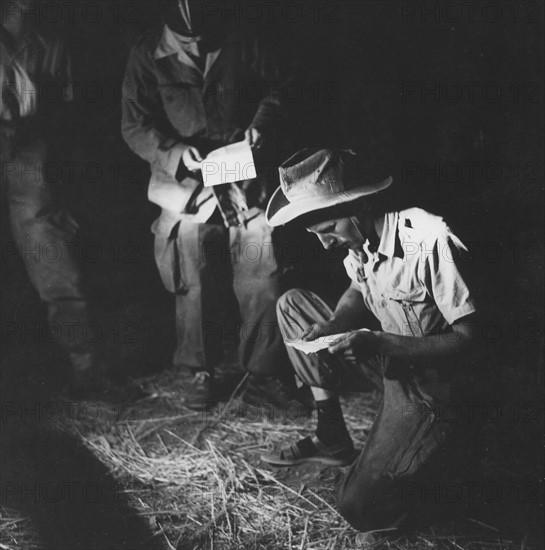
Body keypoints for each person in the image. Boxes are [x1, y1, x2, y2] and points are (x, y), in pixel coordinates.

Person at [262, 148, 483, 531]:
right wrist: (333, 323)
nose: (326, 244)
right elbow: (358, 288)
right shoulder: (359, 240)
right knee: (292, 305)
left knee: (359, 507)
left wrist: (380, 344)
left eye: (329, 230)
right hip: (388, 360)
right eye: (317, 235)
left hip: (434, 386)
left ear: (361, 204)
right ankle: (332, 435)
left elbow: (470, 338)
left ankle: (449, 463)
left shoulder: (425, 239)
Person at [121, 0, 301, 410]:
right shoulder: (147, 53)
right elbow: (133, 124)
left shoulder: (243, 36)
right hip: (186, 182)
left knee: (261, 269)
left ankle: (263, 373)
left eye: (205, 38)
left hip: (244, 174)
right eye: (187, 42)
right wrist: (172, 152)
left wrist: (262, 125)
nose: (198, 47)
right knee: (192, 273)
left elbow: (282, 87)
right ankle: (198, 371)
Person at [0, 0, 102, 395]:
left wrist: (40, 109)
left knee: (56, 264)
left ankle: (85, 367)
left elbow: (71, 117)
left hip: (31, 159)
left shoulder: (53, 40)